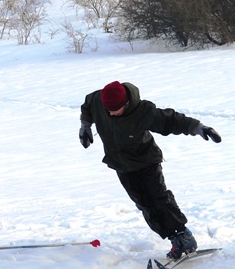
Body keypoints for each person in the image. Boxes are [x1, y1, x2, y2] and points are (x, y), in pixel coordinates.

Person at [79, 81, 221, 259]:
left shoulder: (143, 111)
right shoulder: (100, 100)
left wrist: (199, 128)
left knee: (159, 199)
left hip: (146, 161)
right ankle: (173, 238)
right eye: (107, 109)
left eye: (114, 109)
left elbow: (171, 120)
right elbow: (88, 106)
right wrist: (85, 126)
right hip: (121, 164)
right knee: (144, 204)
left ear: (126, 103)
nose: (110, 113)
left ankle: (183, 235)